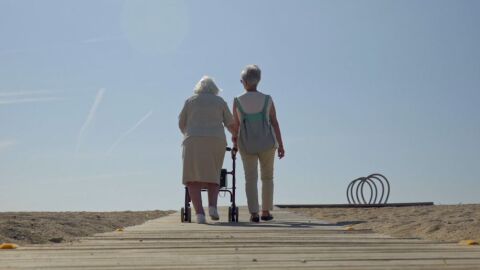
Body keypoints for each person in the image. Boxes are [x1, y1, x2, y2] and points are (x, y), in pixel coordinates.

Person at [232, 65, 285, 222]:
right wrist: (281, 145)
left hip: (246, 144)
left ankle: (254, 213)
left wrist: (234, 145)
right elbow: (274, 123)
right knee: (267, 177)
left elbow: (236, 126)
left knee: (250, 178)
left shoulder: (237, 101)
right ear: (258, 81)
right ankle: (266, 211)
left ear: (245, 82)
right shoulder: (267, 99)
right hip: (267, 143)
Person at [179, 76, 235, 224]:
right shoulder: (220, 102)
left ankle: (200, 215)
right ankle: (213, 207)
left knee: (192, 178)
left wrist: (189, 133)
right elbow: (230, 123)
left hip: (193, 139)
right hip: (216, 140)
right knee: (214, 173)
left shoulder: (190, 101)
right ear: (214, 89)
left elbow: (181, 123)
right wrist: (236, 138)